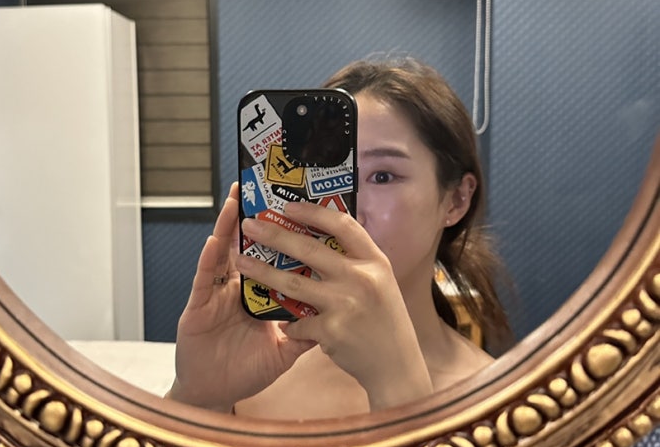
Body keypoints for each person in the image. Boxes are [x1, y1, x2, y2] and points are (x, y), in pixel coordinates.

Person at [167, 58, 511, 420]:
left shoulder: (497, 405)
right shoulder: (255, 368)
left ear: (456, 200)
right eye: (331, 174)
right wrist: (197, 399)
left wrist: (399, 390)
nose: (345, 212)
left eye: (383, 177)